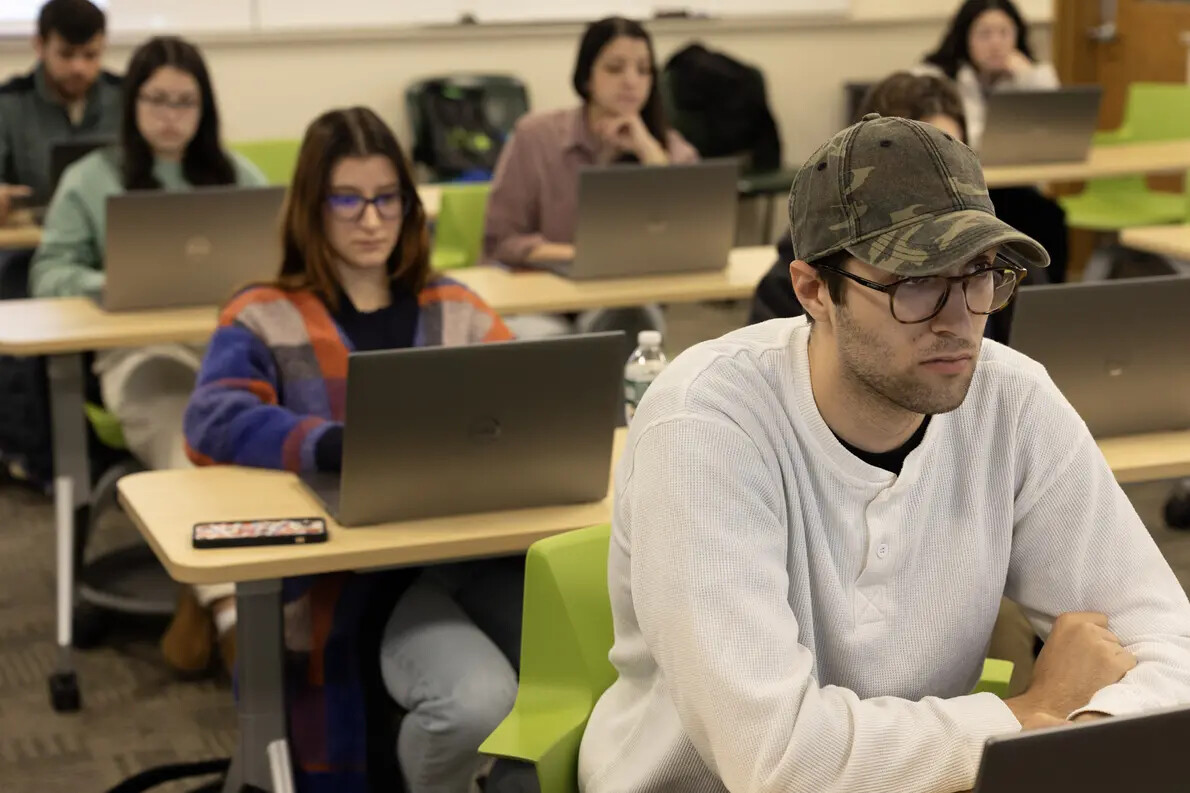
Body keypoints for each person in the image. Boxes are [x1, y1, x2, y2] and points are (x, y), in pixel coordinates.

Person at [578, 113, 1190, 793]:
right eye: (915, 282)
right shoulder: (705, 422)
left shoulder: (1010, 398)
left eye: (981, 273)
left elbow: (1171, 643)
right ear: (814, 290)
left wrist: (1073, 725)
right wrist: (1026, 713)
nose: (960, 319)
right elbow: (776, 758)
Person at [184, 106, 521, 793]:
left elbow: (528, 399)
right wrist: (328, 443)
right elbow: (213, 418)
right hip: (355, 578)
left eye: (388, 198)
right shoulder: (263, 312)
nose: (371, 219)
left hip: (470, 551)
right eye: (348, 199)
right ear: (312, 205)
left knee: (597, 664)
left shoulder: (453, 305)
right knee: (476, 700)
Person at [28, 35, 266, 673]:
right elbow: (48, 271)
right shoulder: (92, 178)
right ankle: (231, 611)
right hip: (137, 355)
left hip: (231, 353)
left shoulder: (238, 177)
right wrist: (107, 284)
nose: (170, 114)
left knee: (272, 434)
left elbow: (285, 261)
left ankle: (213, 596)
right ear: (132, 103)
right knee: (187, 435)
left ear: (204, 108)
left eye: (185, 101)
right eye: (157, 99)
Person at [752, 72, 1020, 344]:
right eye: (917, 281)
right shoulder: (808, 267)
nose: (957, 322)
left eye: (954, 156)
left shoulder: (1003, 260)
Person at [482, 15, 698, 345]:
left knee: (635, 326)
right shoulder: (536, 136)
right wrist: (579, 254)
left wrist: (649, 153)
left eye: (643, 70)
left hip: (621, 298)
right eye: (615, 68)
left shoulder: (666, 147)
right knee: (547, 340)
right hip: (543, 296)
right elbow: (500, 239)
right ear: (586, 77)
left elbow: (690, 239)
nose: (630, 81)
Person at [921, 0, 1068, 281]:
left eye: (1004, 33)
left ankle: (1052, 299)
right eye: (985, 34)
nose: (996, 43)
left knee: (1050, 216)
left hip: (1012, 184)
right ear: (965, 37)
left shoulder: (1025, 74)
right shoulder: (936, 76)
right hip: (959, 192)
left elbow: (1054, 128)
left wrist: (1029, 77)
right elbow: (954, 139)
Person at [0, 0, 122, 221]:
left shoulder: (126, 97)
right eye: (66, 54)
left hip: (114, 234)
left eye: (90, 55)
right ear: (39, 46)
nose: (79, 68)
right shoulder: (8, 102)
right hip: (30, 242)